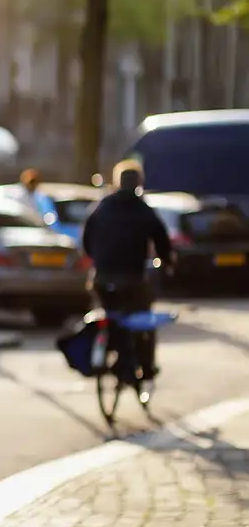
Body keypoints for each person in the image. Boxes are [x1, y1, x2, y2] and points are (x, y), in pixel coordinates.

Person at [80, 160, 173, 382]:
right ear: (139, 183)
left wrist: (96, 260)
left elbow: (86, 238)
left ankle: (109, 346)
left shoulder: (101, 207)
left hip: (101, 279)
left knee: (109, 311)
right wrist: (166, 263)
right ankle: (147, 368)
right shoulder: (143, 210)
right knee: (143, 319)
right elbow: (162, 240)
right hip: (132, 279)